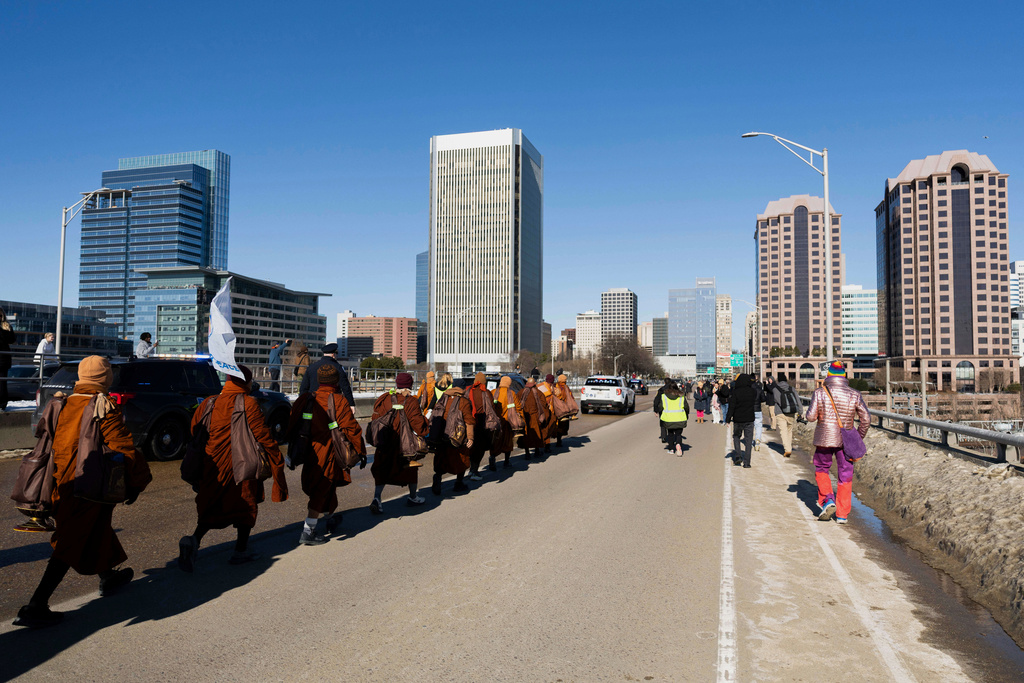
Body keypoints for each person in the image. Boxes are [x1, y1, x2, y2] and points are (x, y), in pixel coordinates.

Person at [13, 356, 152, 628]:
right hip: (88, 487)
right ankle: (36, 604)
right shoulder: (102, 407)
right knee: (70, 541)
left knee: (94, 527)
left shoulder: (61, 403)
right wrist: (137, 482)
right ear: (104, 378)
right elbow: (123, 449)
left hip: (57, 483)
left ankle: (108, 576)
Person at [178, 365, 288, 572]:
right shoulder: (248, 403)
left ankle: (194, 540)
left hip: (212, 466)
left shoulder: (209, 402)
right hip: (240, 464)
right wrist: (276, 458)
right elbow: (262, 435)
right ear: (244, 382)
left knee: (211, 505)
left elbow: (195, 429)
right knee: (245, 502)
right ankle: (240, 550)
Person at [288, 364, 365, 544]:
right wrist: (359, 450)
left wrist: (291, 449)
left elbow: (292, 423)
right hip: (328, 451)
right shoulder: (338, 400)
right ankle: (308, 530)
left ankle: (330, 517)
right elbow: (352, 429)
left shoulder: (306, 398)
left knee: (327, 485)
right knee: (322, 486)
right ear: (335, 381)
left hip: (309, 450)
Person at [805, 361, 870, 524]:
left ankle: (827, 500)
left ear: (829, 376)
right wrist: (857, 437)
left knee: (821, 468)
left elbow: (811, 417)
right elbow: (866, 419)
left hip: (824, 439)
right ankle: (842, 514)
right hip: (845, 439)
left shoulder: (820, 392)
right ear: (844, 376)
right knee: (845, 474)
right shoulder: (854, 394)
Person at [368, 372, 428, 513]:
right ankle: (413, 497)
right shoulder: (412, 401)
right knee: (410, 469)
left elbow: (374, 418)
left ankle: (377, 498)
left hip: (385, 442)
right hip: (404, 444)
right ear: (409, 385)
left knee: (382, 470)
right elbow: (419, 427)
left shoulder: (384, 399)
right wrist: (426, 422)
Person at [430, 379, 474, 494]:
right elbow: (468, 421)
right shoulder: (464, 401)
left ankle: (437, 480)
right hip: (457, 437)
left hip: (441, 435)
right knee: (461, 459)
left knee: (441, 458)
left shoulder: (443, 398)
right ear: (463, 389)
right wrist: (470, 437)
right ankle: (458, 483)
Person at [300, 343, 354, 410]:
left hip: (313, 402)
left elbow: (303, 388)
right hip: (331, 404)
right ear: (333, 354)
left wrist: (302, 402)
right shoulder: (338, 367)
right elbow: (345, 387)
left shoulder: (311, 367)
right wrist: (351, 404)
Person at [725, 374, 759, 468]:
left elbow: (731, 407)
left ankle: (738, 456)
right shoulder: (753, 391)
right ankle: (747, 462)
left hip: (738, 419)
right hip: (749, 419)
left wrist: (728, 419)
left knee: (736, 437)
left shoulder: (736, 392)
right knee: (748, 441)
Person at [466, 372, 494, 480]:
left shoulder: (468, 390)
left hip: (468, 423)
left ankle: (470, 469)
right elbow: (491, 408)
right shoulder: (486, 392)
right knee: (480, 448)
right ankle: (474, 470)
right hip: (481, 423)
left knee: (470, 446)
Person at [489, 376, 522, 470]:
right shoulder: (511, 393)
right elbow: (518, 407)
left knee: (495, 442)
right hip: (507, 422)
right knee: (507, 442)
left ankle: (492, 459)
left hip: (496, 423)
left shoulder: (493, 392)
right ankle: (506, 461)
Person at [517, 377, 550, 459]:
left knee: (525, 435)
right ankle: (537, 451)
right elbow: (543, 405)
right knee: (537, 434)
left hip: (524, 417)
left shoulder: (521, 392)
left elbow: (516, 404)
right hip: (535, 417)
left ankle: (527, 453)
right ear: (535, 383)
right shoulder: (538, 393)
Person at [772, 372, 800, 457]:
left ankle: (787, 449)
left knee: (783, 431)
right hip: (791, 412)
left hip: (780, 412)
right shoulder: (791, 388)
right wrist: (800, 412)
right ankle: (789, 447)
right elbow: (798, 400)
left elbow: (777, 401)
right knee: (789, 430)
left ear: (778, 380)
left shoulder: (775, 389)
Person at [659, 381, 690, 456]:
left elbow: (660, 407)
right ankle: (678, 444)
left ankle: (671, 449)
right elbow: (686, 407)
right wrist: (686, 414)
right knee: (678, 434)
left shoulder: (664, 396)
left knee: (670, 434)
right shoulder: (681, 396)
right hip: (680, 418)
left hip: (668, 419)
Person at [550, 374, 575, 448]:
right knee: (562, 425)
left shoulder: (554, 386)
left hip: (555, 409)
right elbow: (570, 398)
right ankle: (559, 440)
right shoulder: (566, 388)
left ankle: (548, 442)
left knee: (554, 424)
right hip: (564, 410)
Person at [0, 307, 16, 411]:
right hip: (4, 357)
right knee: (2, 382)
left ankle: (2, 403)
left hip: (3, 358)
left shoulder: (6, 326)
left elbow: (12, 339)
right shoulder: (6, 326)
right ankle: (2, 403)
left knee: (2, 382)